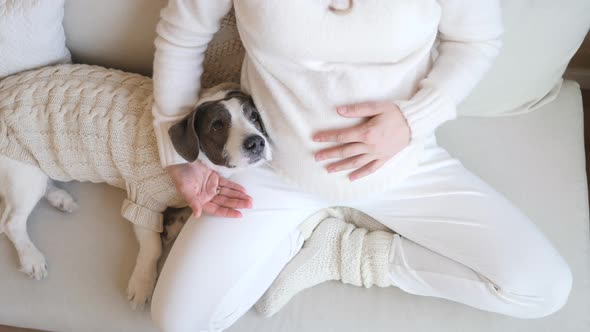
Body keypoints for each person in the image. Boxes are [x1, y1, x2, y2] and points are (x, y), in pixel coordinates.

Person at [150, 1, 573, 331]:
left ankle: (341, 252)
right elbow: (182, 35)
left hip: (402, 163)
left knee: (543, 289)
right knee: (176, 322)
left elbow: (477, 40)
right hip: (271, 170)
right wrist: (177, 157)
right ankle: (299, 229)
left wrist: (414, 120)